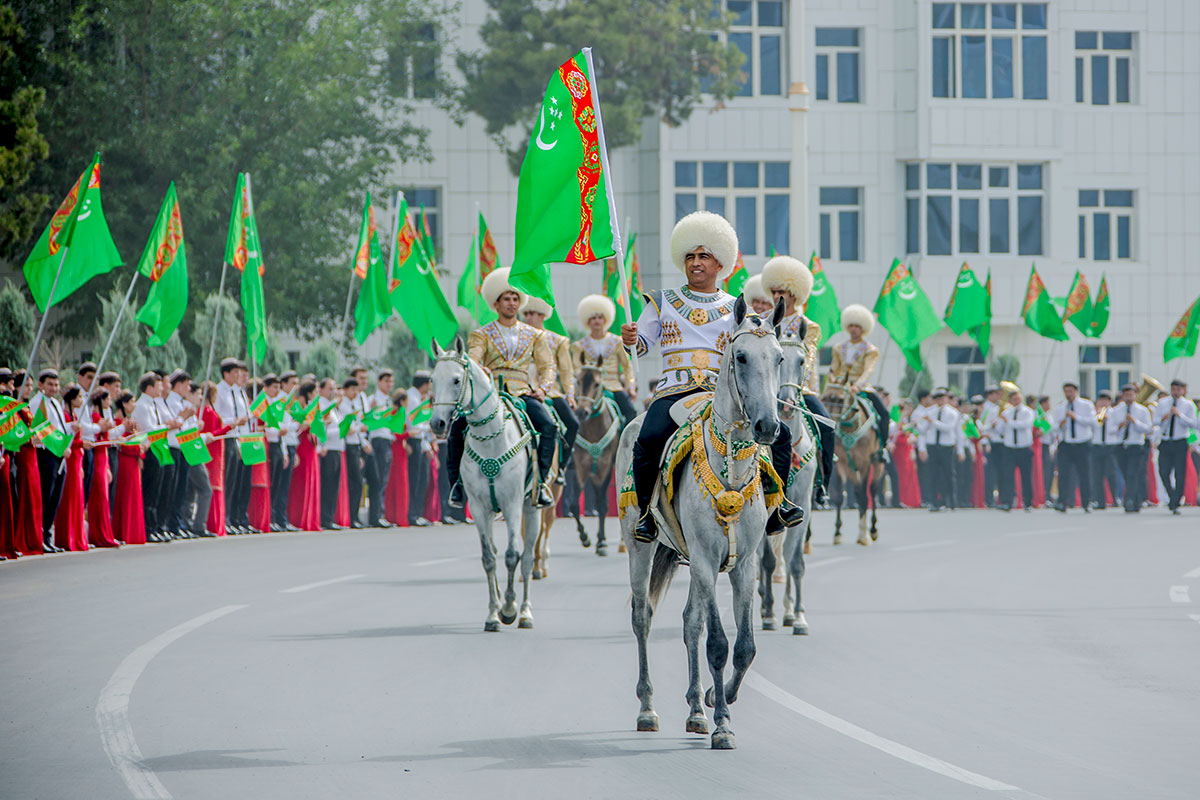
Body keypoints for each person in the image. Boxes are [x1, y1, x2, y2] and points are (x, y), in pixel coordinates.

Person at [621, 210, 801, 542]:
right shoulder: (662, 302)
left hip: (723, 395)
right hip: (674, 392)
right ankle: (646, 514)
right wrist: (631, 339)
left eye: (704, 255)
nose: (696, 262)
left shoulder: (738, 307)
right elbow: (641, 346)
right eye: (690, 256)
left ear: (720, 263)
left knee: (782, 436)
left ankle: (777, 507)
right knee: (647, 439)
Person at [445, 267, 558, 510]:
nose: (511, 303)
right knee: (456, 428)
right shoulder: (481, 334)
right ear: (496, 303)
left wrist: (544, 389)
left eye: (515, 298)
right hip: (490, 394)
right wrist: (480, 369)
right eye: (506, 298)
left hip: (522, 392)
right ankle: (457, 485)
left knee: (549, 426)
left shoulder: (534, 335)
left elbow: (548, 364)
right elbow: (473, 359)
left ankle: (541, 484)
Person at [761, 255, 835, 505]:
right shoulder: (765, 322)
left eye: (781, 291)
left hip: (799, 389)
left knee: (826, 427)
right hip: (769, 390)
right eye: (773, 292)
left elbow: (810, 356)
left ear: (794, 293)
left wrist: (796, 386)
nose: (776, 297)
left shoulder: (808, 325)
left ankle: (822, 485)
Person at [826, 304, 892, 461]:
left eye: (857, 326)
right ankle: (826, 448)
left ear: (863, 328)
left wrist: (857, 386)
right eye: (851, 325)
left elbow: (868, 371)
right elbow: (833, 369)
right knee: (824, 413)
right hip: (840, 389)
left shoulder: (870, 350)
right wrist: (833, 381)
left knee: (884, 413)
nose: (854, 329)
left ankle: (882, 448)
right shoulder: (838, 348)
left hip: (862, 389)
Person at [569, 294, 636, 426]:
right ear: (588, 321)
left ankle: (629, 443)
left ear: (605, 320)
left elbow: (627, 366)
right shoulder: (579, 345)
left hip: (613, 386)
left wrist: (631, 386)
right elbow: (576, 369)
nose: (597, 321)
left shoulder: (617, 342)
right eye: (593, 318)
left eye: (600, 317)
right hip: (588, 388)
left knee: (631, 412)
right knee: (574, 415)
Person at [28, 368, 72, 550]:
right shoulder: (37, 403)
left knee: (55, 497)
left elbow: (59, 428)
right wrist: (60, 447)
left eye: (56, 384)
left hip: (60, 455)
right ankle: (41, 536)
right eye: (50, 384)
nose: (54, 388)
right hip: (47, 453)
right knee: (46, 496)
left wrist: (71, 428)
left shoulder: (55, 403)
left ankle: (47, 535)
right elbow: (43, 431)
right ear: (41, 385)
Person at [215, 359, 251, 533]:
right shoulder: (219, 391)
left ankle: (236, 518)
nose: (238, 376)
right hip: (227, 437)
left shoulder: (238, 392)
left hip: (240, 438)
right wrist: (234, 421)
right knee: (228, 480)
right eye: (235, 372)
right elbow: (218, 418)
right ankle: (225, 518)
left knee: (238, 480)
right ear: (226, 373)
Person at [1051, 381, 1097, 513]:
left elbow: (1093, 422)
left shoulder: (1086, 405)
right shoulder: (1061, 408)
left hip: (1082, 443)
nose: (1068, 394)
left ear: (1076, 391)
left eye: (1071, 391)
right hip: (1066, 443)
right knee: (1064, 474)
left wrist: (1076, 417)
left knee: (1085, 474)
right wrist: (1061, 423)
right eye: (1066, 391)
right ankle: (1062, 502)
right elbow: (1054, 427)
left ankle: (1086, 502)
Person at [1153, 379, 1197, 515]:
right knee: (1163, 471)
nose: (1176, 392)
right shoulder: (1162, 403)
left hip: (1180, 441)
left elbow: (1194, 424)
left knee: (1180, 473)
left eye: (1178, 389)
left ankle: (1176, 501)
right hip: (1166, 441)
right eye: (1173, 389)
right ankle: (1172, 495)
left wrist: (1180, 415)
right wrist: (1163, 418)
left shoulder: (1188, 405)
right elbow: (1154, 421)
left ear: (1183, 390)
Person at [53, 384, 89, 551]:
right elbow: (65, 439)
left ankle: (77, 537)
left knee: (77, 499)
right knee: (69, 498)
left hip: (78, 460)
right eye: (79, 397)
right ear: (72, 399)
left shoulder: (74, 415)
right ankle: (66, 538)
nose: (82, 400)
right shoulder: (66, 416)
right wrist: (82, 443)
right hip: (70, 458)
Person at [112, 391, 147, 545]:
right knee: (125, 497)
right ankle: (124, 532)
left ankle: (134, 533)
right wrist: (139, 448)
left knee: (135, 497)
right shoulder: (119, 422)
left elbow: (139, 439)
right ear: (124, 404)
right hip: (125, 461)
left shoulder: (132, 422)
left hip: (134, 462)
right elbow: (123, 445)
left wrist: (142, 449)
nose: (134, 404)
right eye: (132, 401)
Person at [1111, 382, 1152, 513]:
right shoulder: (1116, 410)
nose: (1129, 397)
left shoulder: (1142, 410)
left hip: (1136, 445)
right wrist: (1119, 426)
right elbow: (1110, 429)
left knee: (1132, 473)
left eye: (1131, 394)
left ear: (1135, 395)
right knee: (1126, 474)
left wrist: (1135, 422)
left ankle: (1128, 500)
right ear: (1123, 396)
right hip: (1121, 446)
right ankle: (1136, 500)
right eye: (1126, 395)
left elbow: (1148, 428)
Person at [288, 380, 322, 531]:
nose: (316, 395)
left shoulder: (314, 410)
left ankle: (311, 519)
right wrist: (305, 425)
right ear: (308, 394)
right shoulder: (297, 408)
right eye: (314, 392)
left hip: (312, 448)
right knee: (301, 484)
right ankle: (298, 518)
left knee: (312, 483)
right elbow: (296, 429)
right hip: (302, 448)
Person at [201, 381, 231, 536]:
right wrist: (230, 426)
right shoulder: (206, 412)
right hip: (211, 451)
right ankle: (213, 523)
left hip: (217, 451)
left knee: (217, 485)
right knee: (213, 485)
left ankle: (218, 523)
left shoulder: (209, 411)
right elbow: (213, 434)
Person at [997, 388, 1034, 512]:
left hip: (1024, 447)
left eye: (1017, 398)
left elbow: (1024, 425)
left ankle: (1027, 502)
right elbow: (1000, 430)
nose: (1016, 401)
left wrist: (1009, 422)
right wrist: (999, 421)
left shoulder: (1028, 412)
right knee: (1007, 476)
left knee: (1026, 476)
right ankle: (1007, 501)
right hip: (1010, 448)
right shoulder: (1007, 413)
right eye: (1013, 399)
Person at [365, 369, 394, 527]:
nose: (389, 384)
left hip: (387, 439)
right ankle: (375, 516)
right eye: (386, 381)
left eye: (391, 381)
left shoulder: (389, 400)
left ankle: (380, 514)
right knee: (377, 479)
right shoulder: (373, 399)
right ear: (379, 382)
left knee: (384, 479)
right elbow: (369, 421)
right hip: (378, 440)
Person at [922, 388, 959, 512]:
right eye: (937, 398)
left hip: (946, 446)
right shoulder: (930, 412)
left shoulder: (952, 413)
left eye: (942, 398)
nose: (940, 401)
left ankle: (951, 501)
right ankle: (934, 502)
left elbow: (947, 428)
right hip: (933, 445)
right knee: (933, 475)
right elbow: (924, 430)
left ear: (947, 398)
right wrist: (917, 424)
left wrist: (932, 421)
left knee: (949, 474)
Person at [271, 371, 299, 531]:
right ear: (284, 384)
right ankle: (278, 518)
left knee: (285, 485)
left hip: (290, 444)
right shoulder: (280, 401)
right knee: (279, 485)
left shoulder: (290, 401)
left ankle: (281, 518)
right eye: (292, 383)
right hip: (282, 445)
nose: (295, 386)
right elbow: (281, 427)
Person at [340, 377, 368, 528]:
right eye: (352, 389)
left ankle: (355, 515)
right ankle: (351, 516)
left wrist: (363, 444)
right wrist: (359, 428)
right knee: (354, 482)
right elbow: (349, 429)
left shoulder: (354, 404)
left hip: (356, 446)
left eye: (357, 389)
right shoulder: (343, 406)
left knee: (358, 483)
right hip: (348, 446)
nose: (355, 392)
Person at [317, 378, 344, 529]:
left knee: (334, 486)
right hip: (327, 449)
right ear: (321, 389)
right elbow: (322, 430)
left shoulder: (333, 407)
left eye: (334, 388)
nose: (333, 391)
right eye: (329, 388)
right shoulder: (321, 406)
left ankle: (330, 517)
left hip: (337, 448)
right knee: (327, 486)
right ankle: (325, 518)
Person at [406, 371, 433, 526]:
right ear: (424, 384)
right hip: (413, 439)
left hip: (420, 441)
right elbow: (413, 423)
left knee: (422, 478)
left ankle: (418, 512)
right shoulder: (413, 399)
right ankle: (413, 513)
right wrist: (427, 428)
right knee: (415, 479)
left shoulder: (418, 398)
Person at [1091, 390, 1124, 510]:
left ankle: (1115, 498)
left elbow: (1116, 429)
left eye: (1106, 400)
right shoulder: (1095, 413)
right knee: (1097, 474)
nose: (1103, 402)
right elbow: (1093, 426)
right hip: (1098, 445)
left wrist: (1108, 420)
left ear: (1110, 402)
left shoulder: (1115, 413)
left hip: (1111, 445)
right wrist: (1099, 416)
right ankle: (1100, 501)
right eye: (1101, 400)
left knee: (1112, 473)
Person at [978, 385, 1003, 507]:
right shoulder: (985, 408)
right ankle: (989, 500)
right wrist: (986, 442)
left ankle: (1000, 499)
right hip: (989, 443)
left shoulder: (999, 407)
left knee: (1000, 472)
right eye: (996, 394)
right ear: (989, 395)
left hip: (1000, 443)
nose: (998, 396)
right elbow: (981, 427)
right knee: (990, 474)